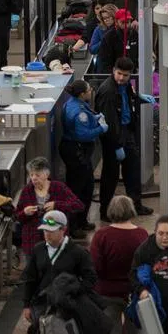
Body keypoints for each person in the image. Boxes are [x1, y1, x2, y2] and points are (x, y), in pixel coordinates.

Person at [21, 210, 99, 334]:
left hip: (68, 314)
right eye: (45, 230)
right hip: (43, 312)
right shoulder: (39, 250)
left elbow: (90, 278)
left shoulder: (77, 253)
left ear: (63, 230)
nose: (47, 234)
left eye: (52, 230)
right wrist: (26, 304)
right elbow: (29, 278)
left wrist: (72, 292)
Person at [89, 196, 148, 334]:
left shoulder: (102, 235)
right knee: (136, 332)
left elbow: (95, 266)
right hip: (134, 291)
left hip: (107, 291)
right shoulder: (141, 234)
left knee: (111, 333)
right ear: (131, 210)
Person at [95, 56, 155, 220]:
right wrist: (116, 145)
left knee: (133, 171)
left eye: (126, 75)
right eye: (119, 74)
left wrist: (138, 98)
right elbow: (110, 123)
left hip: (127, 132)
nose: (121, 78)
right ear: (113, 71)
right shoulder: (108, 92)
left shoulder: (125, 86)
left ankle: (136, 205)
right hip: (113, 138)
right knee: (110, 175)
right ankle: (105, 211)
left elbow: (128, 100)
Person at [60, 79, 107, 232]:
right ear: (82, 94)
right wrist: (101, 128)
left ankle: (81, 221)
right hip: (77, 151)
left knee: (87, 187)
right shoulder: (79, 112)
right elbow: (83, 135)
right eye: (88, 90)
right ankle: (73, 227)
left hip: (75, 149)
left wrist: (95, 118)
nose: (91, 91)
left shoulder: (74, 103)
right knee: (78, 189)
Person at [17, 157, 85, 256]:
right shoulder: (27, 191)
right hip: (32, 244)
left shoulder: (59, 187)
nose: (34, 178)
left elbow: (78, 206)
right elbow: (17, 216)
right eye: (31, 175)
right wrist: (25, 212)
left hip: (56, 243)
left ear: (46, 174)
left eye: (37, 174)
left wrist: (57, 205)